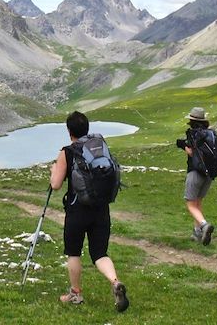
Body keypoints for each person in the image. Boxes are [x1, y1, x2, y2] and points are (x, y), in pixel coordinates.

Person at [50, 111, 129, 312]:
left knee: (74, 252)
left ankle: (75, 294)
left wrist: (53, 171)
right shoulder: (97, 147)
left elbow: (56, 184)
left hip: (77, 211)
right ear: (87, 128)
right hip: (101, 208)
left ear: (69, 131)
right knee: (100, 253)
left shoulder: (68, 151)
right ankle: (115, 282)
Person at [176, 107, 214, 245]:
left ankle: (204, 225)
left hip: (195, 172)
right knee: (198, 202)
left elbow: (192, 153)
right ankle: (197, 233)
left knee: (191, 204)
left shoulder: (193, 134)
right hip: (208, 174)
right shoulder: (210, 134)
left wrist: (182, 145)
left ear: (191, 120)